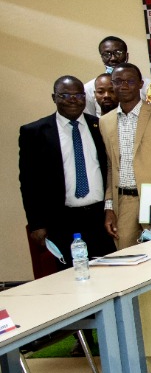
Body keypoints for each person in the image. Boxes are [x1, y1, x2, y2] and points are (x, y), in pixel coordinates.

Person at [19, 75, 113, 264]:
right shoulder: (35, 132)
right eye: (65, 95)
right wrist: (37, 223)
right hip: (61, 219)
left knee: (109, 272)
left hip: (99, 217)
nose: (73, 100)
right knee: (71, 276)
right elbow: (29, 182)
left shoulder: (100, 126)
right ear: (54, 98)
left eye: (78, 95)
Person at [100, 63, 151, 248]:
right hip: (124, 202)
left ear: (140, 84)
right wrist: (109, 208)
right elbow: (109, 168)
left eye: (130, 81)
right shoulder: (105, 122)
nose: (124, 86)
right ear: (112, 84)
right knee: (128, 260)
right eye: (118, 81)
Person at [85, 36, 130, 113]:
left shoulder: (145, 85)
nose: (113, 58)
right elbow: (91, 119)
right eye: (106, 54)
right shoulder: (89, 88)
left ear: (127, 56)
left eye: (118, 53)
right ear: (102, 58)